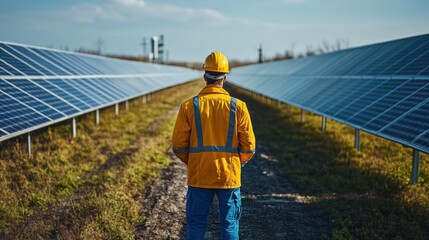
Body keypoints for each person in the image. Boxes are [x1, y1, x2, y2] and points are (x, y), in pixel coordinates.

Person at [172, 51, 256, 239]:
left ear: (204, 77)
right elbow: (249, 145)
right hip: (229, 176)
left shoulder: (189, 106)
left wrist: (194, 161)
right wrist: (238, 162)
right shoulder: (239, 106)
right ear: (224, 78)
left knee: (196, 224)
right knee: (229, 224)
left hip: (199, 174)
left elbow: (178, 145)